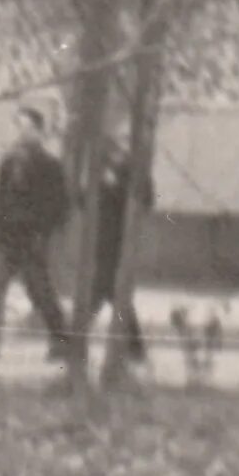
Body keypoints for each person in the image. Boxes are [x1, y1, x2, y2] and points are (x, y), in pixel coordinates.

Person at [0, 107, 74, 360]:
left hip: (32, 239)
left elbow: (58, 206)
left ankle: (61, 341)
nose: (22, 134)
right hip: (7, 239)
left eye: (28, 128)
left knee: (40, 291)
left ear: (39, 132)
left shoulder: (51, 166)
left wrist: (43, 233)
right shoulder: (8, 161)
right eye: (19, 128)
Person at [84, 135, 153, 360]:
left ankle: (74, 340)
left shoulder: (136, 173)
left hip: (120, 240)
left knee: (104, 290)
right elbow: (86, 199)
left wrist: (117, 186)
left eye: (126, 145)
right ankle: (135, 348)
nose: (121, 151)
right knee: (110, 292)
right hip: (103, 238)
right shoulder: (102, 170)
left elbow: (146, 200)